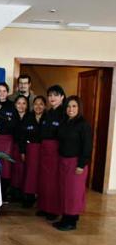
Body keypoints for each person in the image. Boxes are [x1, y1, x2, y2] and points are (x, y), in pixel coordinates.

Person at [53, 96, 92, 231]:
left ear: (79, 108)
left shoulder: (84, 125)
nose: (71, 109)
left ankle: (71, 221)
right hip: (63, 161)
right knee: (64, 191)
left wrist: (81, 164)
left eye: (74, 106)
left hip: (76, 164)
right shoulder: (65, 122)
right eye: (69, 106)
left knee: (74, 193)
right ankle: (66, 217)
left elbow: (87, 146)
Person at [37, 85, 66, 221]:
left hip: (55, 151)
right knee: (44, 180)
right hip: (44, 149)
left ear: (62, 97)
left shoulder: (64, 114)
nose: (52, 98)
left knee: (53, 181)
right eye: (50, 95)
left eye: (55, 95)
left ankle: (53, 210)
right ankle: (44, 207)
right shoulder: (47, 113)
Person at [21, 96, 47, 208]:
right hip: (31, 150)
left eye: (41, 104)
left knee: (43, 174)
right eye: (36, 104)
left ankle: (42, 198)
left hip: (45, 150)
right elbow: (22, 137)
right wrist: (23, 151)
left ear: (45, 106)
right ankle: (29, 197)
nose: (38, 106)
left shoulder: (48, 117)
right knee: (30, 174)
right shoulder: (28, 117)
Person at [11, 95, 29, 201]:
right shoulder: (12, 117)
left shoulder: (30, 117)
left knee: (25, 171)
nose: (21, 106)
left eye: (24, 103)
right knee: (15, 170)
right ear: (15, 105)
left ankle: (26, 194)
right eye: (18, 103)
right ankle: (15, 193)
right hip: (14, 147)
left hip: (27, 148)